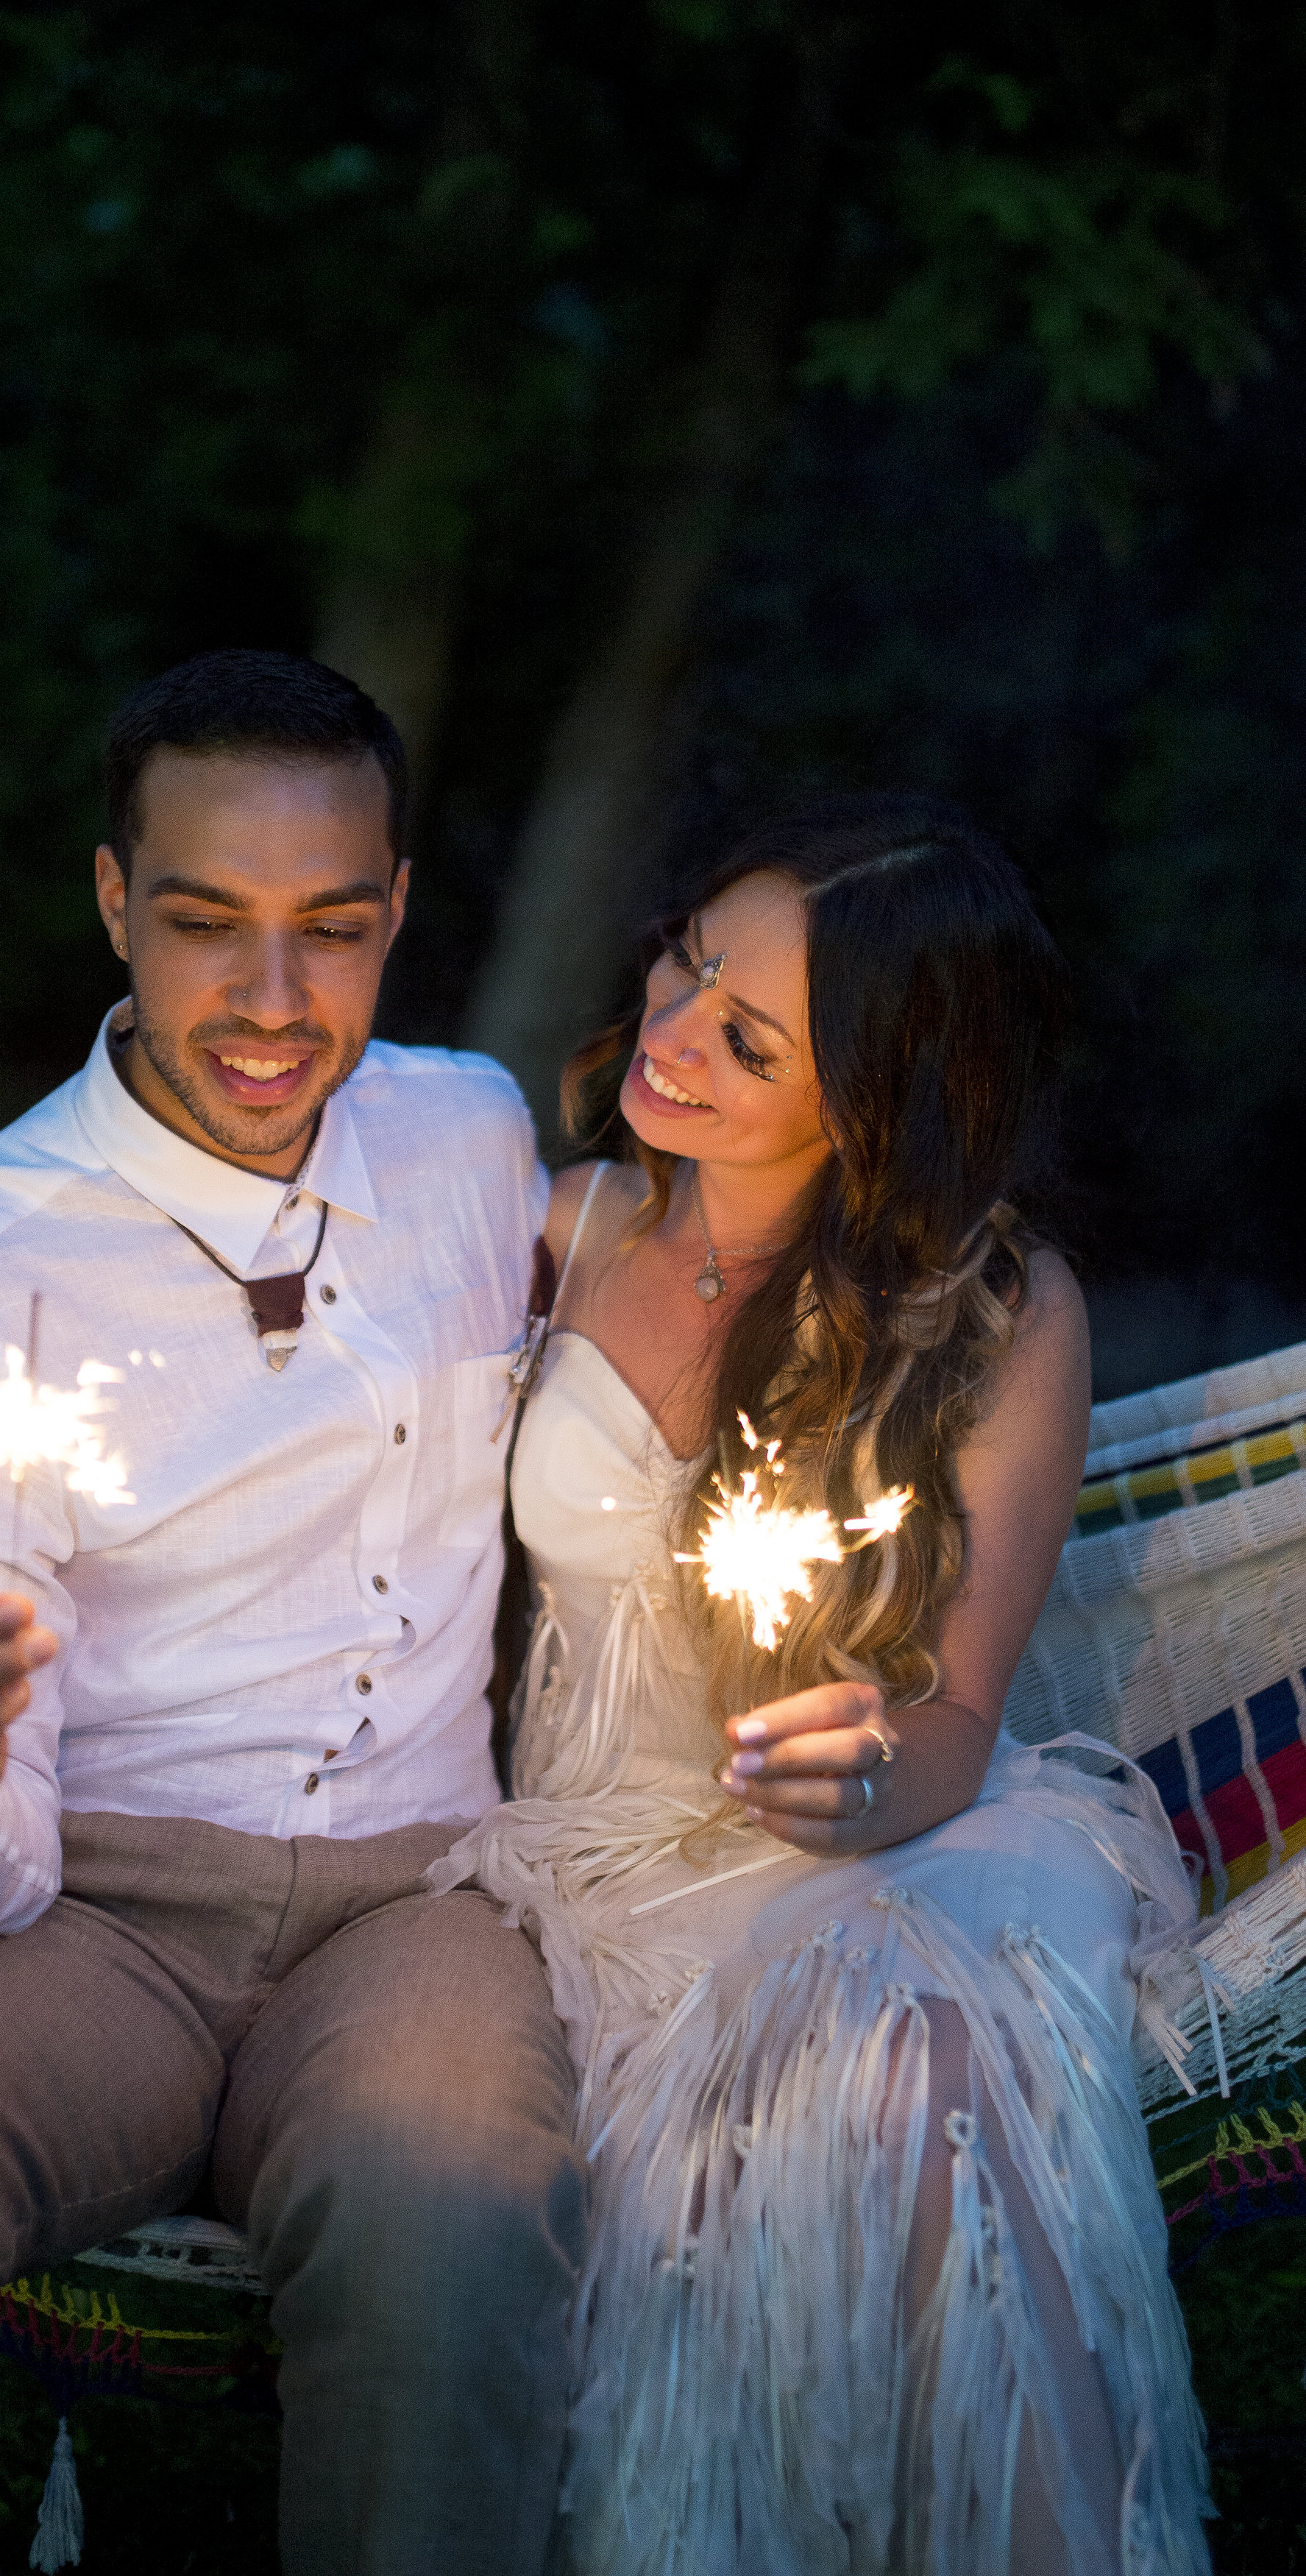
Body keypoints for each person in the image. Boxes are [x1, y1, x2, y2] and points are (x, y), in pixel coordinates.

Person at [0, 649, 586, 2576]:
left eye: (332, 927)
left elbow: (679, 1257)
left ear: (398, 907)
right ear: (111, 903)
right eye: (206, 921)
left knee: (451, 2214)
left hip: (414, 1905)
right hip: (85, 1915)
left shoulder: (468, 1134)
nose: (272, 999)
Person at [433, 798, 1213, 2575]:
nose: (673, 1027)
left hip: (899, 1845)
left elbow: (949, 1714)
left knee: (923, 2050)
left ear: (874, 1093)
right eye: (686, 960)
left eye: (747, 1034)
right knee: (792, 2113)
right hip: (606, 1863)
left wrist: (870, 1775)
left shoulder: (1000, 1312)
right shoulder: (544, 1237)